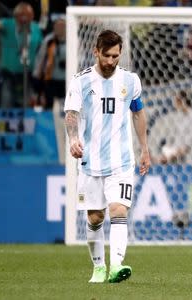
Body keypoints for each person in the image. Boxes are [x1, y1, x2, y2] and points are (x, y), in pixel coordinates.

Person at [64, 30, 151, 283]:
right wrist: (72, 139)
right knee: (95, 217)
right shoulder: (81, 81)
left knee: (118, 210)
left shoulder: (131, 80)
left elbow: (138, 112)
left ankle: (116, 266)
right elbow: (71, 113)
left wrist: (144, 148)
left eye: (116, 56)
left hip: (121, 161)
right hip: (90, 162)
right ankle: (99, 267)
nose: (111, 61)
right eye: (107, 56)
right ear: (96, 52)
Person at [0, 2, 43, 108]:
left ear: (32, 16)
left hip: (29, 75)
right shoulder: (8, 24)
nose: (24, 18)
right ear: (15, 16)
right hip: (9, 75)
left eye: (27, 15)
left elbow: (41, 50)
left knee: (27, 106)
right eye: (21, 15)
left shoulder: (36, 28)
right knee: (7, 103)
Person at [151, 90, 192, 164]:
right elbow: (174, 141)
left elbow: (188, 147)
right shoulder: (180, 118)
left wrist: (170, 155)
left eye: (177, 100)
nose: (175, 104)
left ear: (183, 101)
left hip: (191, 160)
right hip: (178, 160)